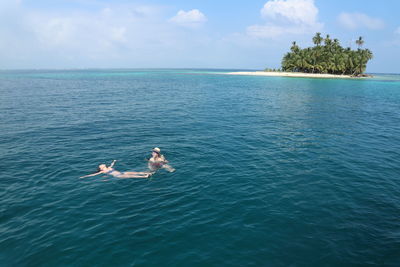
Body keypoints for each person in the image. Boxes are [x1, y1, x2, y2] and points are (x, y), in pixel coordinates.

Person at [80, 160, 152, 179]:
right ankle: (144, 176)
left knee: (134, 172)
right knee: (132, 176)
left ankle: (146, 173)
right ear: (101, 168)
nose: (102, 164)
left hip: (122, 172)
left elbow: (112, 165)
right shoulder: (103, 171)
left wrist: (114, 162)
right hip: (118, 175)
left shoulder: (109, 167)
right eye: (101, 165)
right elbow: (94, 174)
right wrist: (84, 176)